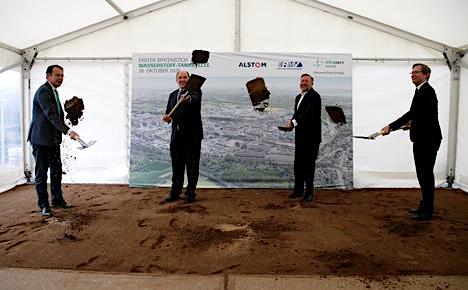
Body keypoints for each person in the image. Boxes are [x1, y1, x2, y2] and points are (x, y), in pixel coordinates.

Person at [381, 63, 442, 221]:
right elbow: (423, 116)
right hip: (423, 138)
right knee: (423, 174)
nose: (413, 75)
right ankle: (425, 205)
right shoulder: (421, 91)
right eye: (412, 73)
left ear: (426, 74)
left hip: (428, 140)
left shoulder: (426, 91)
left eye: (416, 72)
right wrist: (412, 125)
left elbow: (412, 114)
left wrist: (391, 127)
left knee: (425, 174)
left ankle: (428, 210)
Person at [27, 65, 80, 217]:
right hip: (41, 140)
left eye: (62, 75)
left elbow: (56, 114)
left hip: (53, 140)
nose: (60, 78)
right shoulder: (43, 92)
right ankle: (44, 206)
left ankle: (57, 200)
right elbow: (51, 115)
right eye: (57, 75)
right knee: (41, 173)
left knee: (56, 171)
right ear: (48, 76)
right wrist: (68, 130)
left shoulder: (53, 92)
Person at [162, 70, 203, 203]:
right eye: (180, 77)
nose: (182, 79)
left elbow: (194, 100)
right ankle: (175, 192)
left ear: (189, 79)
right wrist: (167, 117)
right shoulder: (173, 95)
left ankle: (190, 193)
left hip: (192, 137)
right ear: (176, 79)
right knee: (177, 165)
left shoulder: (195, 92)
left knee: (192, 166)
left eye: (185, 77)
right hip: (176, 137)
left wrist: (187, 99)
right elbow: (169, 113)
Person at [283, 73, 321, 202]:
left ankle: (309, 192)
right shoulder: (298, 97)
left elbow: (307, 114)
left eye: (306, 81)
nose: (303, 83)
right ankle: (298, 190)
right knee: (298, 164)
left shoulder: (315, 96)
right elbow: (297, 114)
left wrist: (293, 123)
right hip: (300, 136)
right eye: (302, 81)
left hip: (311, 138)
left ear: (312, 83)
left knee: (309, 166)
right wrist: (291, 123)